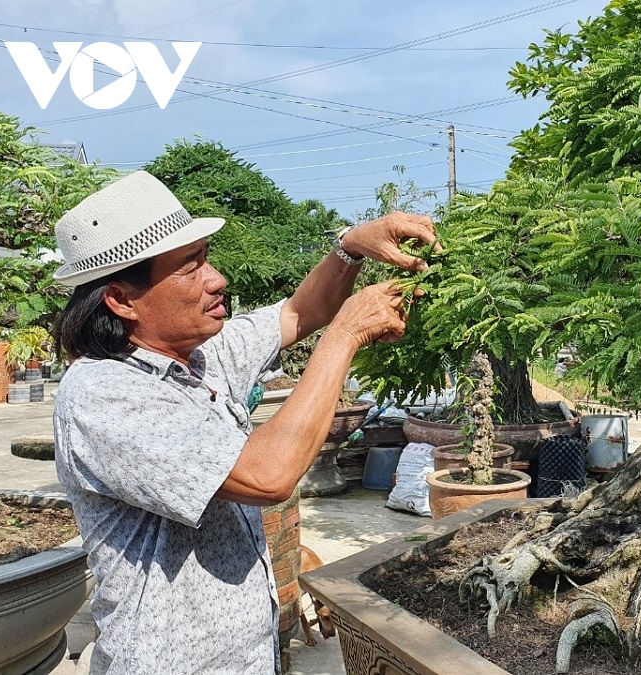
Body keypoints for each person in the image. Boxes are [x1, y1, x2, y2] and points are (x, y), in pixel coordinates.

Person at [49, 171, 436, 674]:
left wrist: (350, 247)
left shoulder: (200, 355)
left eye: (206, 258)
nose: (216, 279)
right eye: (190, 268)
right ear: (122, 299)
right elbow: (268, 474)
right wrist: (346, 336)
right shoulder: (103, 395)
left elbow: (300, 311)